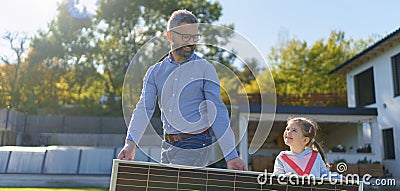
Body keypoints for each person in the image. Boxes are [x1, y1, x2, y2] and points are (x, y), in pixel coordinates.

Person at [118, 9, 247, 170]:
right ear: (170, 36)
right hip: (168, 145)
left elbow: (218, 111)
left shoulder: (205, 69)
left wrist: (231, 155)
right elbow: (144, 108)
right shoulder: (155, 72)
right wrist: (130, 144)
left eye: (194, 37)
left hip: (197, 143)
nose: (191, 42)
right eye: (185, 36)